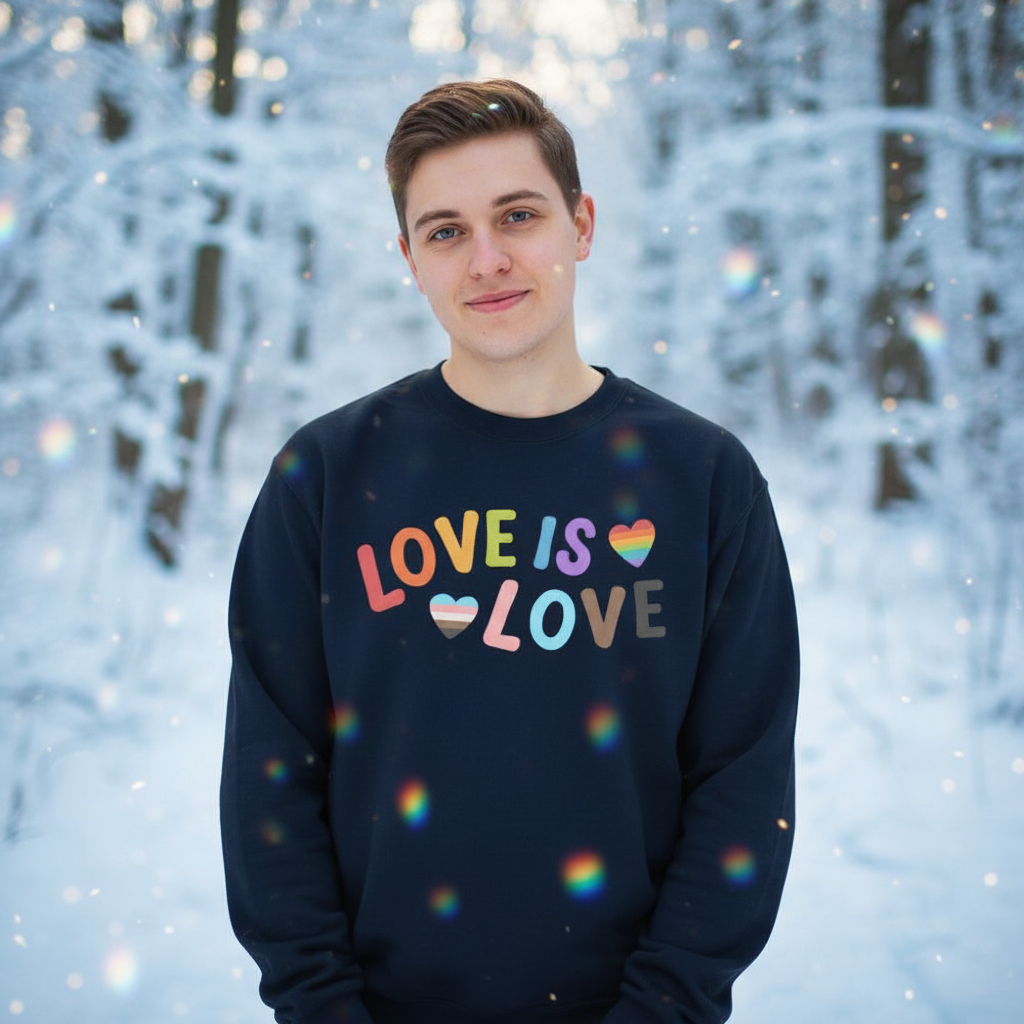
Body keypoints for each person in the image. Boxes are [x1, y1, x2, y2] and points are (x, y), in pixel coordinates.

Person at [221, 79, 799, 1024]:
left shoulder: (702, 479)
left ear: (581, 224)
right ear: (410, 259)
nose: (487, 260)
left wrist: (664, 1006)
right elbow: (270, 778)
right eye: (446, 231)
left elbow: (742, 780)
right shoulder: (325, 475)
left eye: (517, 216)